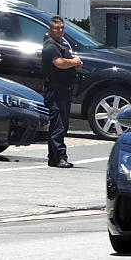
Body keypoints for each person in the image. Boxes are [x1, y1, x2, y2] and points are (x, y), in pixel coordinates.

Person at [42, 16, 83, 168]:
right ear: (50, 29)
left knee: (62, 124)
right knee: (58, 124)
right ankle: (58, 157)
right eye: (56, 27)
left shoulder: (61, 44)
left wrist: (75, 64)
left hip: (64, 90)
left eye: (62, 27)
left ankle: (54, 157)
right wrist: (74, 62)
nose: (60, 30)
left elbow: (66, 61)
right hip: (55, 90)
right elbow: (58, 63)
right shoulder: (50, 46)